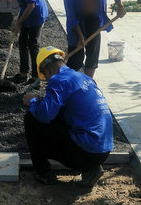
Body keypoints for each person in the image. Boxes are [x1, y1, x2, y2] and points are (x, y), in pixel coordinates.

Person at [23, 46, 114, 188]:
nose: (47, 80)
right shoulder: (83, 78)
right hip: (103, 151)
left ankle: (43, 172)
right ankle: (91, 168)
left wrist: (32, 101)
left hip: (87, 152)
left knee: (31, 118)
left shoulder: (59, 80)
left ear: (47, 70)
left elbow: (45, 115)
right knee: (59, 116)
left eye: (45, 77)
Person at [63, 0, 126, 78]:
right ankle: (72, 83)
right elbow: (72, 18)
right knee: (76, 57)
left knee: (92, 54)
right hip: (77, 26)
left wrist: (120, 6)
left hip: (95, 22)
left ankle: (88, 82)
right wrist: (80, 37)